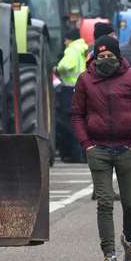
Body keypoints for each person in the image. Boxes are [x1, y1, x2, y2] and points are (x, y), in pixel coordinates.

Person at [71, 35, 131, 261]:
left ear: (118, 56)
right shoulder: (85, 80)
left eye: (110, 55)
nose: (106, 59)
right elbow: (77, 114)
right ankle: (109, 255)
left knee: (130, 205)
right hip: (98, 149)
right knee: (105, 203)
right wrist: (86, 144)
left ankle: (130, 240)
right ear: (94, 57)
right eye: (101, 56)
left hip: (126, 149)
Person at [55, 26, 90, 162]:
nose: (64, 42)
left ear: (70, 40)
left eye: (66, 40)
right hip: (82, 89)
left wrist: (58, 69)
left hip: (70, 90)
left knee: (70, 123)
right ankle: (82, 154)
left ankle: (75, 154)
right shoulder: (83, 49)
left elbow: (65, 65)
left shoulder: (71, 50)